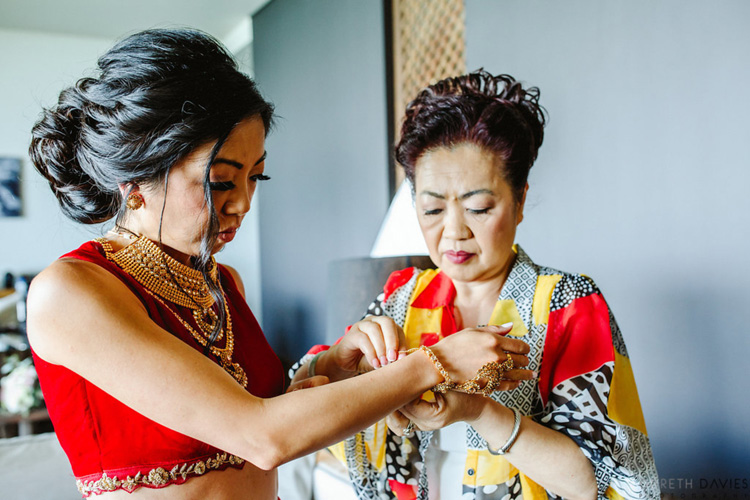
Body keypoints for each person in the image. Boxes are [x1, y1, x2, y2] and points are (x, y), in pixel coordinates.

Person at [25, 31, 534, 499]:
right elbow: (261, 436)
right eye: (222, 181)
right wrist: (431, 363)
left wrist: (330, 369)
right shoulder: (71, 292)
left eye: (255, 179)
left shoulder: (223, 284)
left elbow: (257, 425)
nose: (244, 203)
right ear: (135, 179)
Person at [290, 71, 660, 500]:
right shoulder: (402, 298)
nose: (453, 232)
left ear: (520, 200)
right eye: (431, 209)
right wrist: (339, 359)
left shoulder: (567, 304)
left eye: (479, 208)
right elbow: (301, 398)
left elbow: (593, 481)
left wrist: (477, 410)